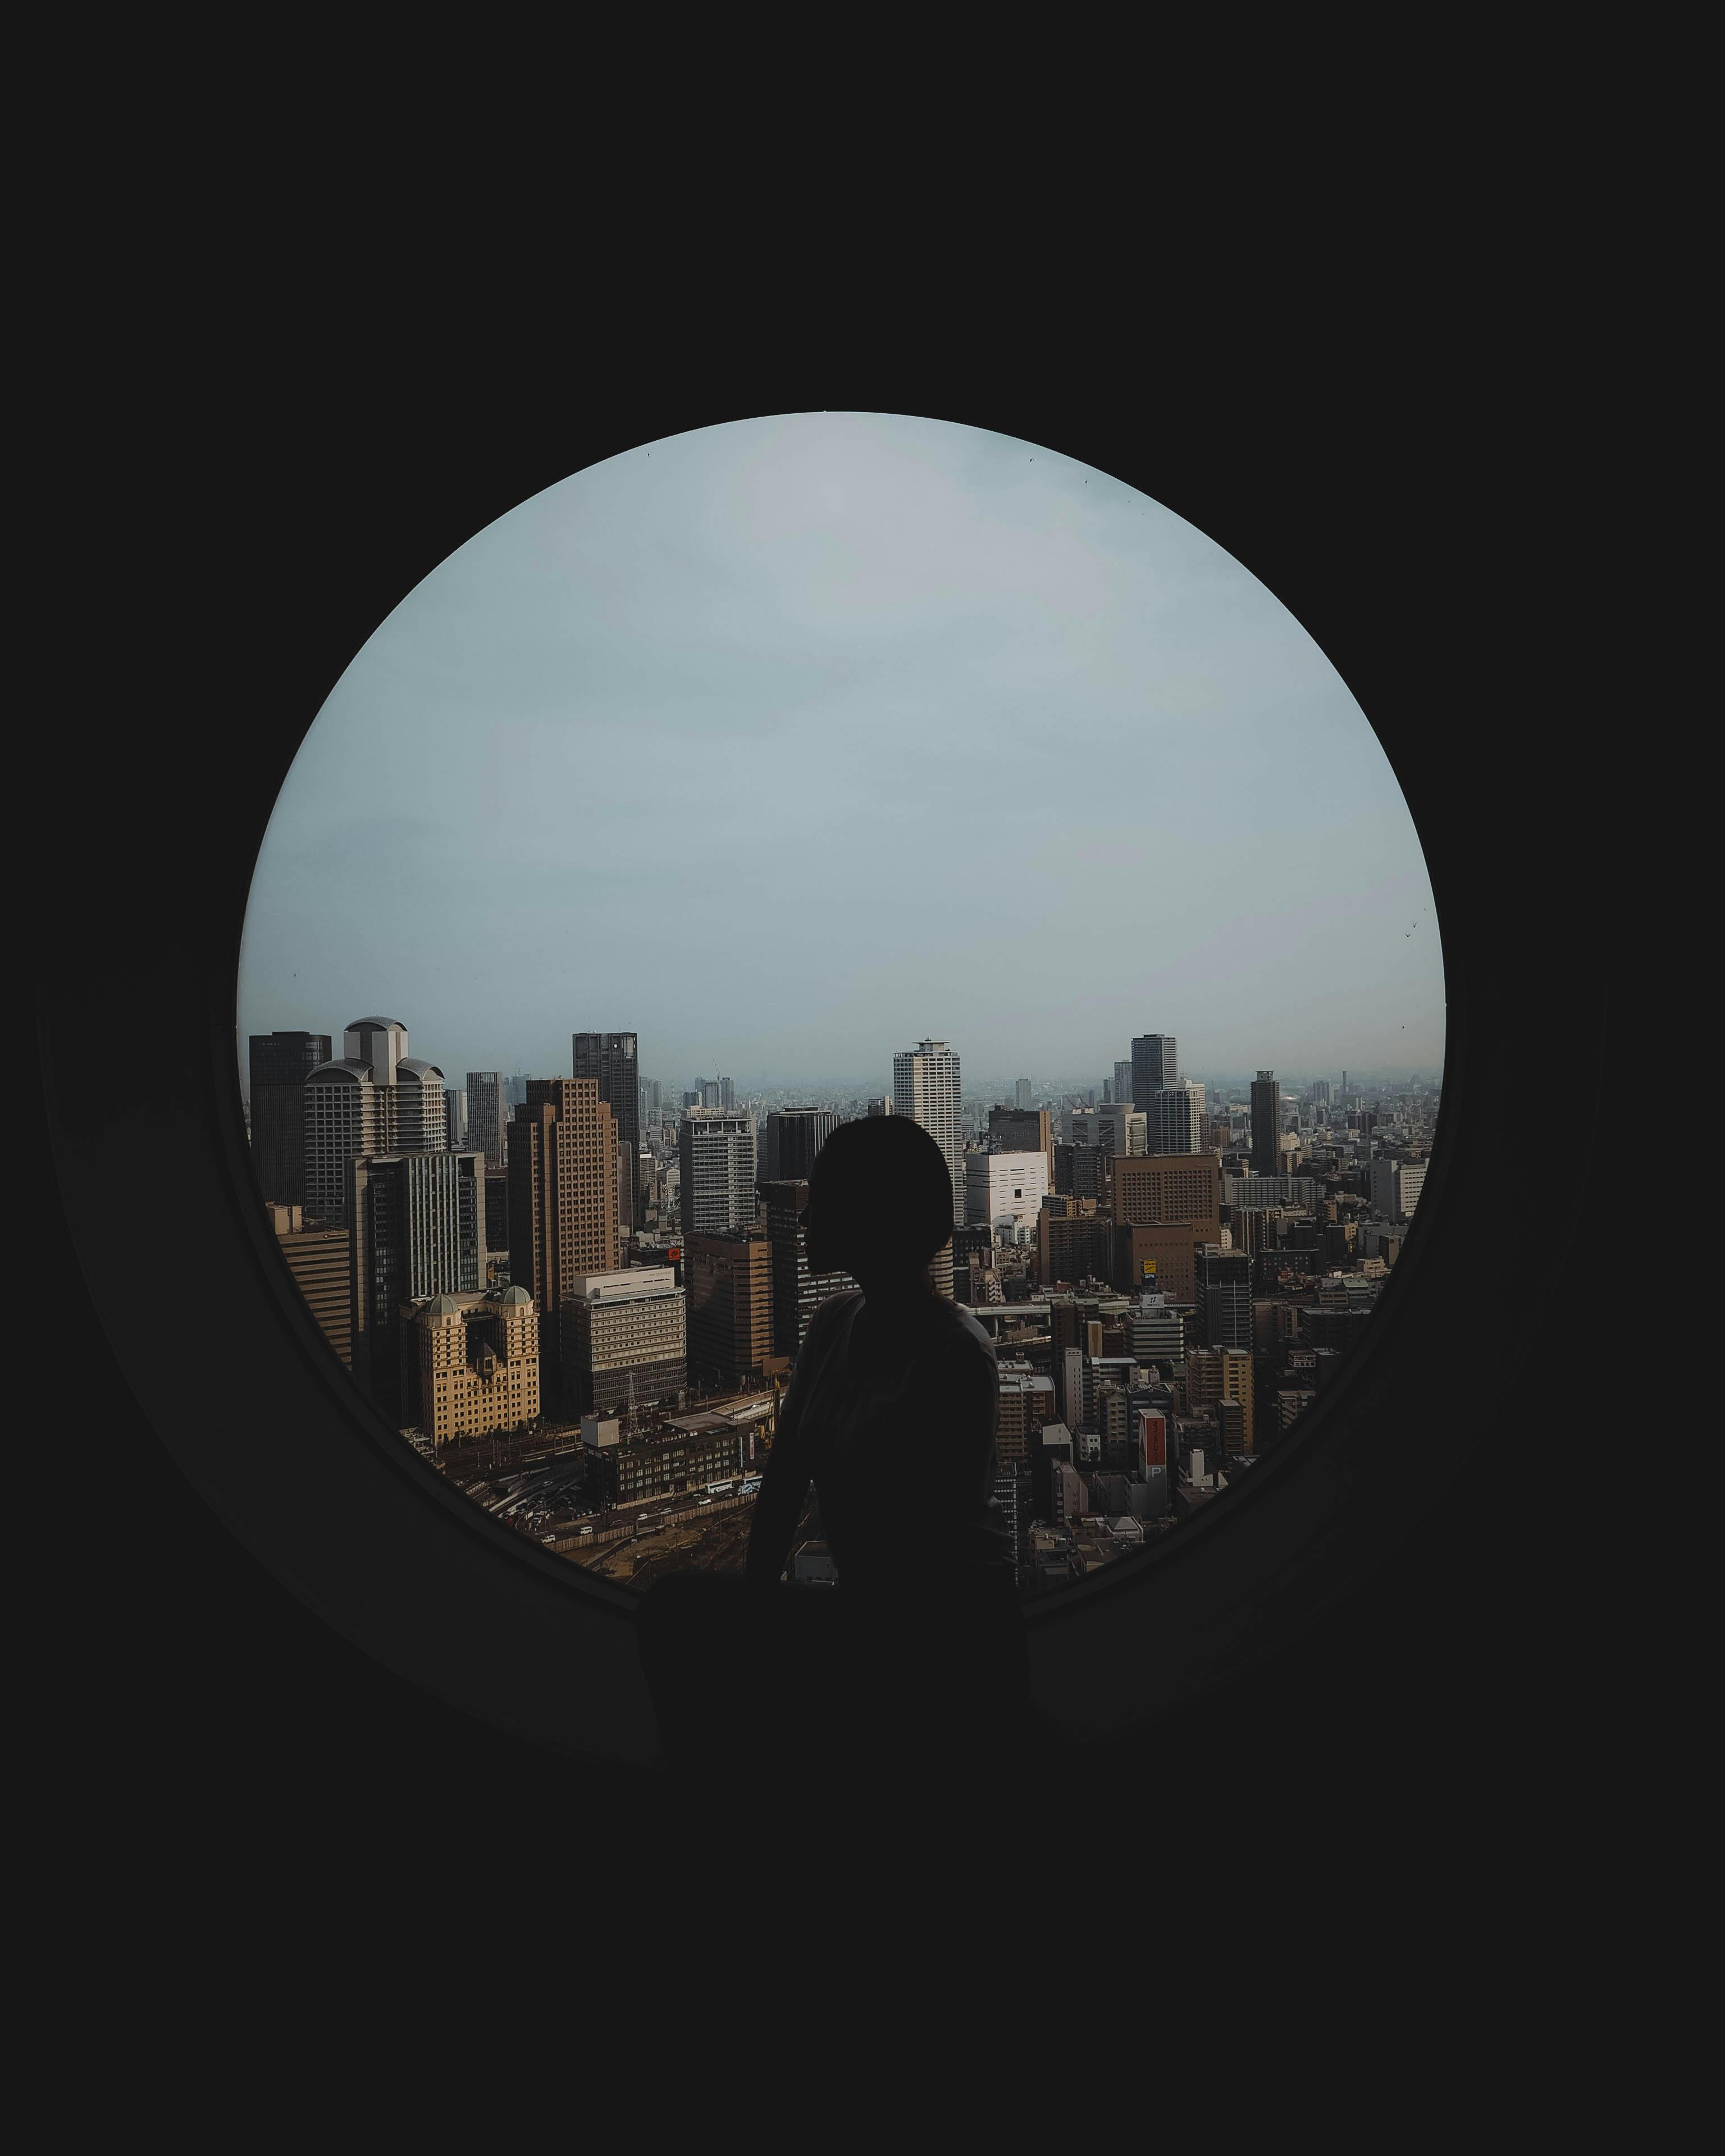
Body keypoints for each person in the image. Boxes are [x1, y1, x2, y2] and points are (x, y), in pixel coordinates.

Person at [635, 1114, 1030, 1794]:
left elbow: (936, 1556)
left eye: (825, 1202)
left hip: (947, 1641)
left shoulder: (956, 1353)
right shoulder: (832, 1323)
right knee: (674, 1610)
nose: (806, 1217)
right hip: (867, 1619)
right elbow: (784, 1484)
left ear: (872, 1219)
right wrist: (756, 1612)